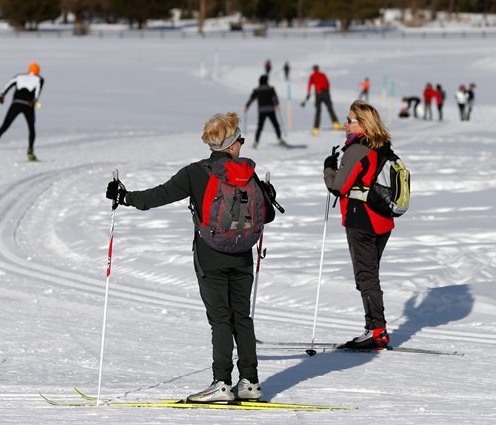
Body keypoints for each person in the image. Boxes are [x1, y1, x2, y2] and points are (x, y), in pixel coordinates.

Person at [105, 112, 277, 402]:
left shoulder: (195, 173)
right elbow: (267, 215)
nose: (242, 146)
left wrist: (124, 197)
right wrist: (267, 195)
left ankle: (221, 383)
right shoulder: (249, 173)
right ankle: (250, 382)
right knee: (242, 318)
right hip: (243, 255)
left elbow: (156, 197)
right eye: (241, 140)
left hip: (210, 254)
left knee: (221, 319)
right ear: (232, 144)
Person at [323, 99, 395, 350]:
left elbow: (338, 186)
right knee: (370, 275)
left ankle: (377, 330)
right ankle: (375, 328)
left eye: (350, 120)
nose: (345, 124)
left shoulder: (357, 150)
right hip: (383, 220)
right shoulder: (382, 146)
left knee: (366, 277)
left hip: (362, 219)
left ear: (363, 124)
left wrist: (328, 168)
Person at [0, 62, 44, 161]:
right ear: (38, 71)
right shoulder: (39, 79)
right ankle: (30, 152)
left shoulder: (19, 76)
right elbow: (37, 91)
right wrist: (34, 101)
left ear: (29, 70)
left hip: (16, 104)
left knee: (4, 126)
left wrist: (2, 96)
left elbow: (8, 85)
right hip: (28, 106)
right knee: (31, 129)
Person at [244, 75, 287, 148]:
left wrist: (247, 106)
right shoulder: (271, 89)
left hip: (262, 111)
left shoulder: (257, 90)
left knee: (260, 126)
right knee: (275, 124)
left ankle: (256, 142)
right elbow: (274, 98)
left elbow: (252, 98)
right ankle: (279, 138)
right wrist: (276, 105)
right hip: (270, 109)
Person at [301, 64, 342, 136]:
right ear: (318, 69)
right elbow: (328, 83)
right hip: (326, 92)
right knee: (330, 109)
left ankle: (316, 129)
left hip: (318, 93)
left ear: (313, 69)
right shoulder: (323, 74)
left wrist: (309, 93)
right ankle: (336, 124)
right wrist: (326, 92)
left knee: (318, 111)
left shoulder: (312, 76)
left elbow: (309, 85)